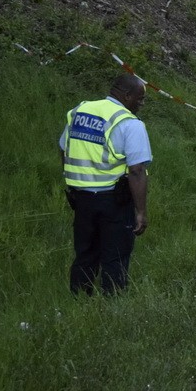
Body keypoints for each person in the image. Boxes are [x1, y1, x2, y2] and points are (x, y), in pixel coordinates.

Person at [60, 73, 152, 295]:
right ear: (127, 95)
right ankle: (113, 306)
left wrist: (74, 180)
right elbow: (136, 170)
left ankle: (80, 301)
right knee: (116, 257)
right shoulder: (129, 123)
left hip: (81, 199)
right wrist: (140, 212)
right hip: (113, 201)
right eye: (139, 99)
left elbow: (64, 147)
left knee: (85, 253)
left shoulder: (80, 111)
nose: (141, 104)